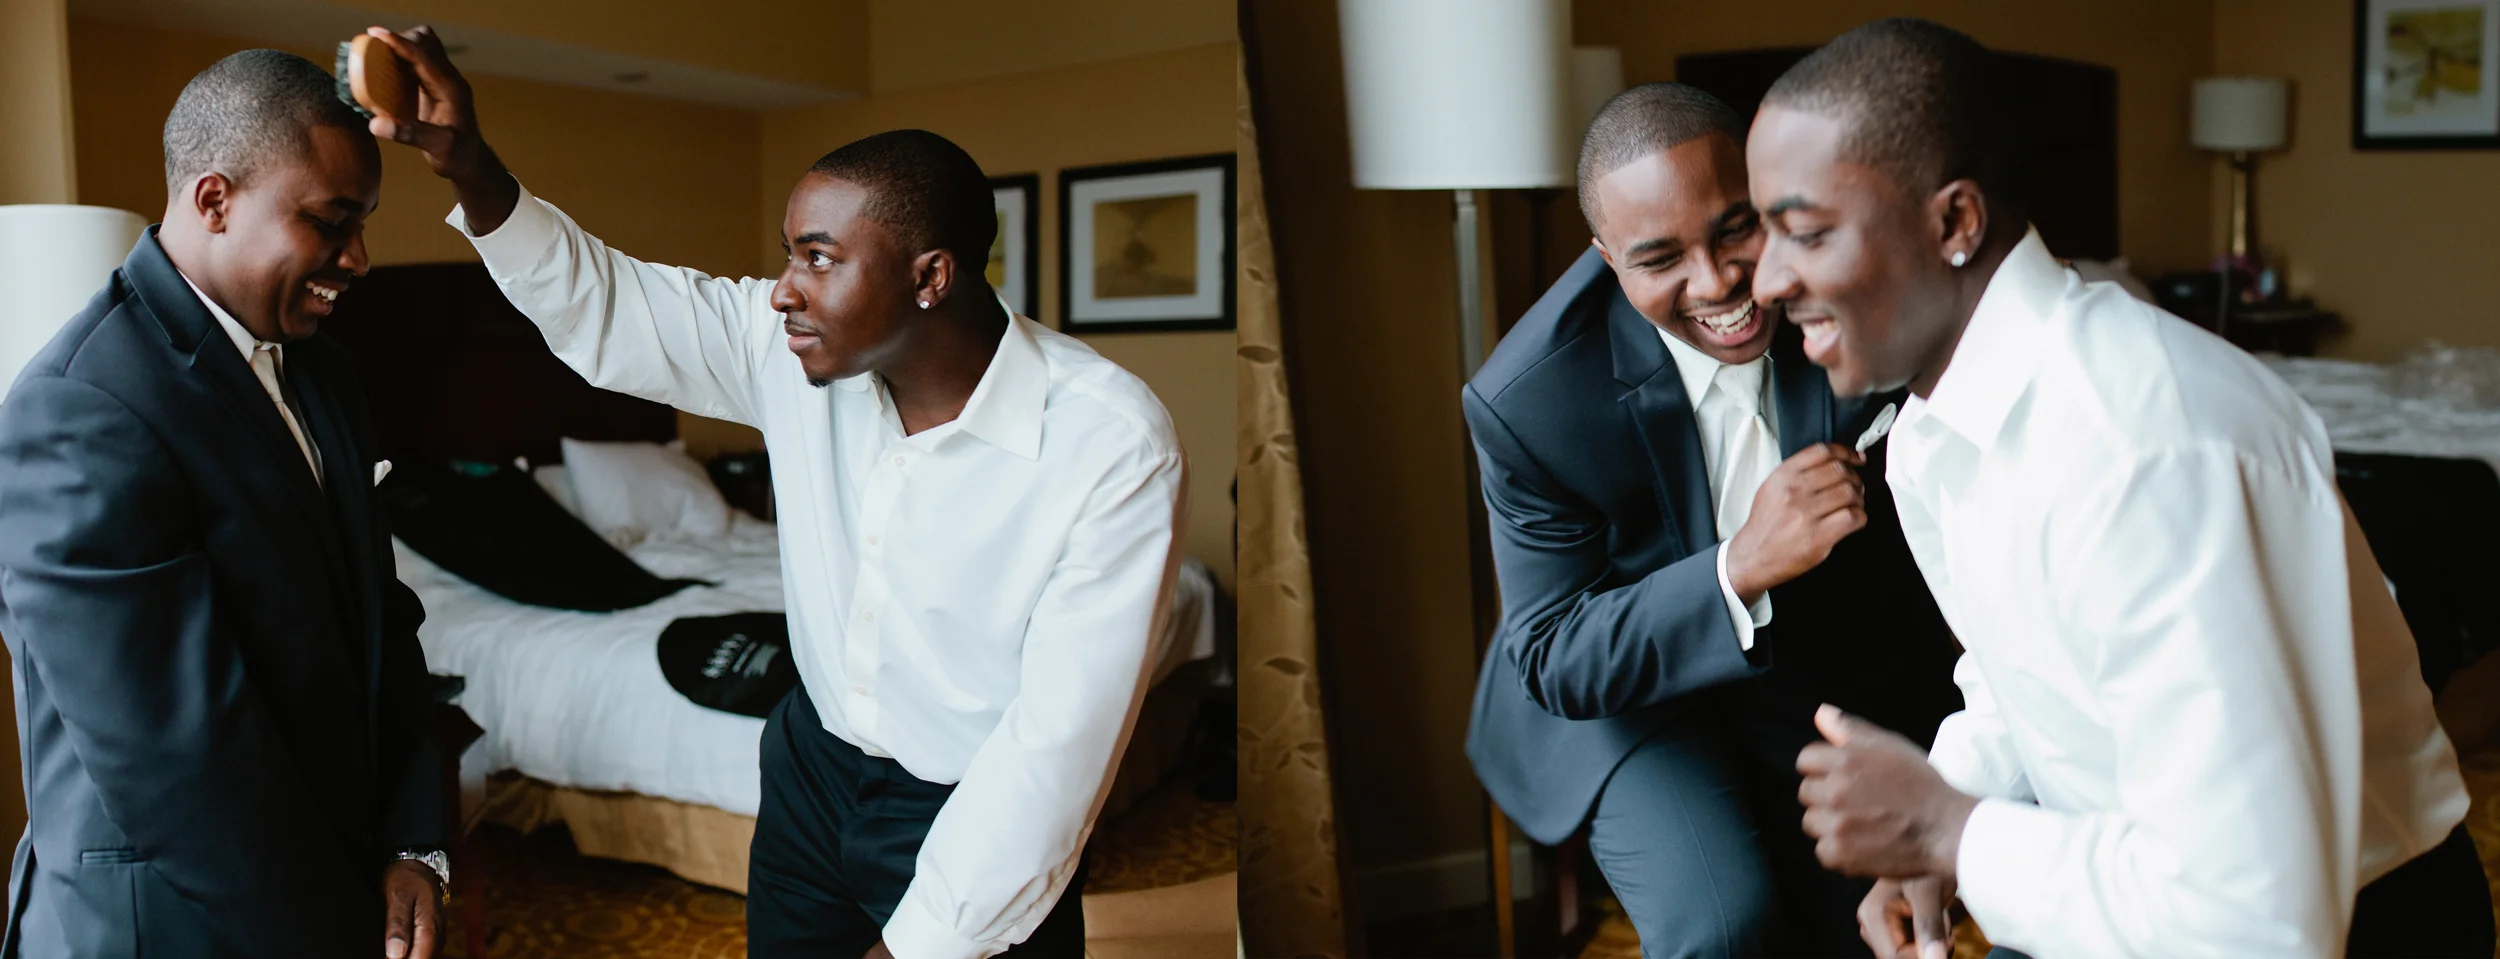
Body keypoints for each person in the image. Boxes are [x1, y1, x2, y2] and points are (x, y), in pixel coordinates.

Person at [362, 26, 1187, 959]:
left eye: (819, 258)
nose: (783, 292)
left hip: (973, 804)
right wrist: (470, 165)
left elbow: (1054, 748)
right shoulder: (786, 353)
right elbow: (610, 303)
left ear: (930, 276)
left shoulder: (1109, 443)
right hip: (809, 773)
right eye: (788, 256)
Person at [1757, 18, 2495, 959]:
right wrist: (1940, 822)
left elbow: (2260, 920)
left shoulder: (2148, 444)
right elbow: (2021, 673)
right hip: (2119, 896)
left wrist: (1955, 830)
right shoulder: (1929, 442)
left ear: (1954, 223)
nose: (1767, 279)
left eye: (1805, 233)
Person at [1462, 82, 1962, 957]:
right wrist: (1740, 565)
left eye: (1737, 229)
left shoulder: (1856, 290)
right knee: (1721, 923)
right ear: (1608, 259)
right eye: (1661, 258)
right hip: (1628, 694)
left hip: (1818, 660)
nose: (1720, 279)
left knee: (1858, 912)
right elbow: (1552, 649)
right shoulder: (1531, 402)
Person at [0, 50, 447, 957]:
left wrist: (412, 841)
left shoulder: (327, 372)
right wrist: (337, 929)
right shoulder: (81, 407)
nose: (357, 259)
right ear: (214, 200)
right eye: (330, 222)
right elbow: (175, 755)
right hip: (175, 923)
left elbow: (380, 618)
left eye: (363, 224)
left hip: (333, 878)